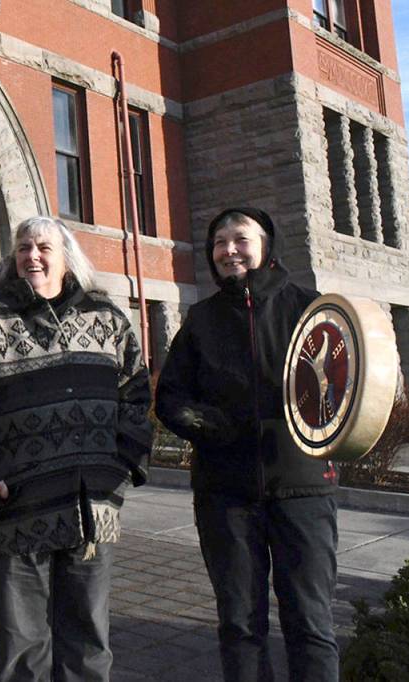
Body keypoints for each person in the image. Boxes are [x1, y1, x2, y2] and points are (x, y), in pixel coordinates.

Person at [0, 216, 153, 681]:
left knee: (88, 647)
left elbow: (135, 393)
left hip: (90, 511)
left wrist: (122, 464)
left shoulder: (106, 316)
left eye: (43, 247)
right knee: (23, 653)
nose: (33, 256)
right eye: (24, 247)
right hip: (15, 511)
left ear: (67, 257)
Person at [154, 207, 339, 682]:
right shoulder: (202, 319)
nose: (228, 250)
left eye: (240, 239)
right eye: (219, 242)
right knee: (239, 625)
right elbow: (171, 397)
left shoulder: (311, 309)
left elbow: (346, 387)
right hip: (225, 493)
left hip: (303, 487)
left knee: (311, 622)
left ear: (266, 246)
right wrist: (208, 425)